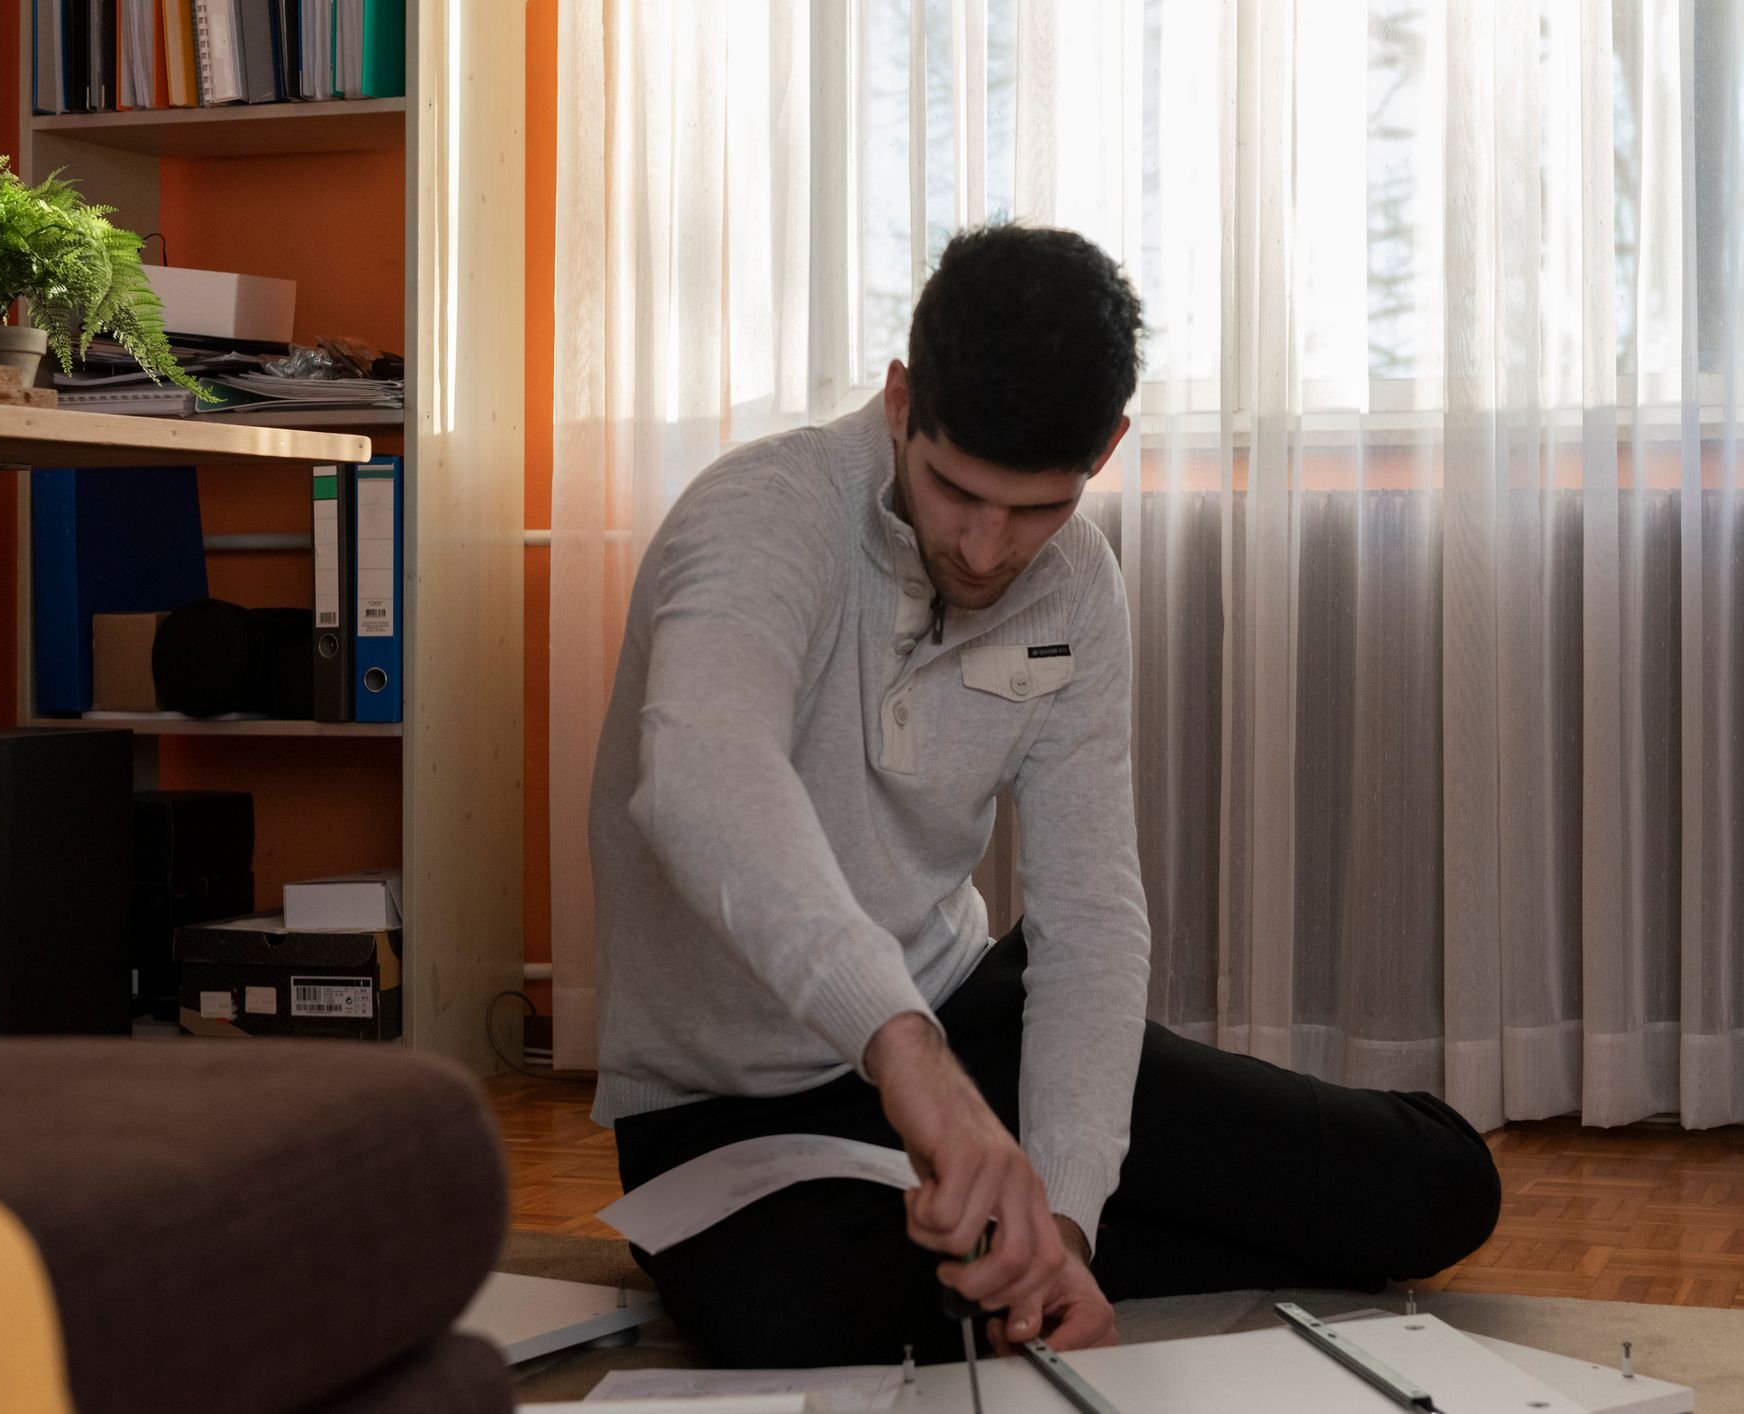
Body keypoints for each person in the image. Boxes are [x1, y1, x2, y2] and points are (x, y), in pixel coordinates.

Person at [588, 224, 1499, 1370]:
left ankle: (1038, 1239)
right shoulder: (760, 515)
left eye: (1033, 509)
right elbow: (703, 776)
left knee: (1434, 1191)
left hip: (968, 1022)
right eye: (954, 490)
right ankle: (1022, 1238)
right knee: (789, 1320)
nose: (983, 549)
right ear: (901, 399)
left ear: (1104, 449)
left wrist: (1065, 1218)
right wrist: (908, 1059)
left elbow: (1090, 917)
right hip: (725, 1105)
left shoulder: (1077, 589)